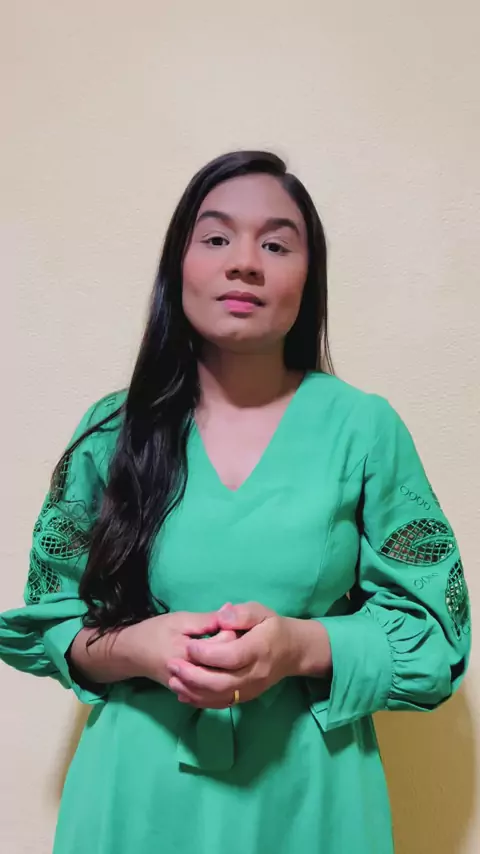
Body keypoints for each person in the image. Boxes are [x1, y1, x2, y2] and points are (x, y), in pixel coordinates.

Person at [0, 151, 471, 854]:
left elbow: (437, 637)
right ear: (178, 265)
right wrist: (138, 648)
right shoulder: (112, 430)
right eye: (217, 238)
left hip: (310, 801)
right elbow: (47, 622)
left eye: (276, 245)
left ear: (309, 277)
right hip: (133, 797)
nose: (245, 263)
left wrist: (298, 647)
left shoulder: (365, 429)